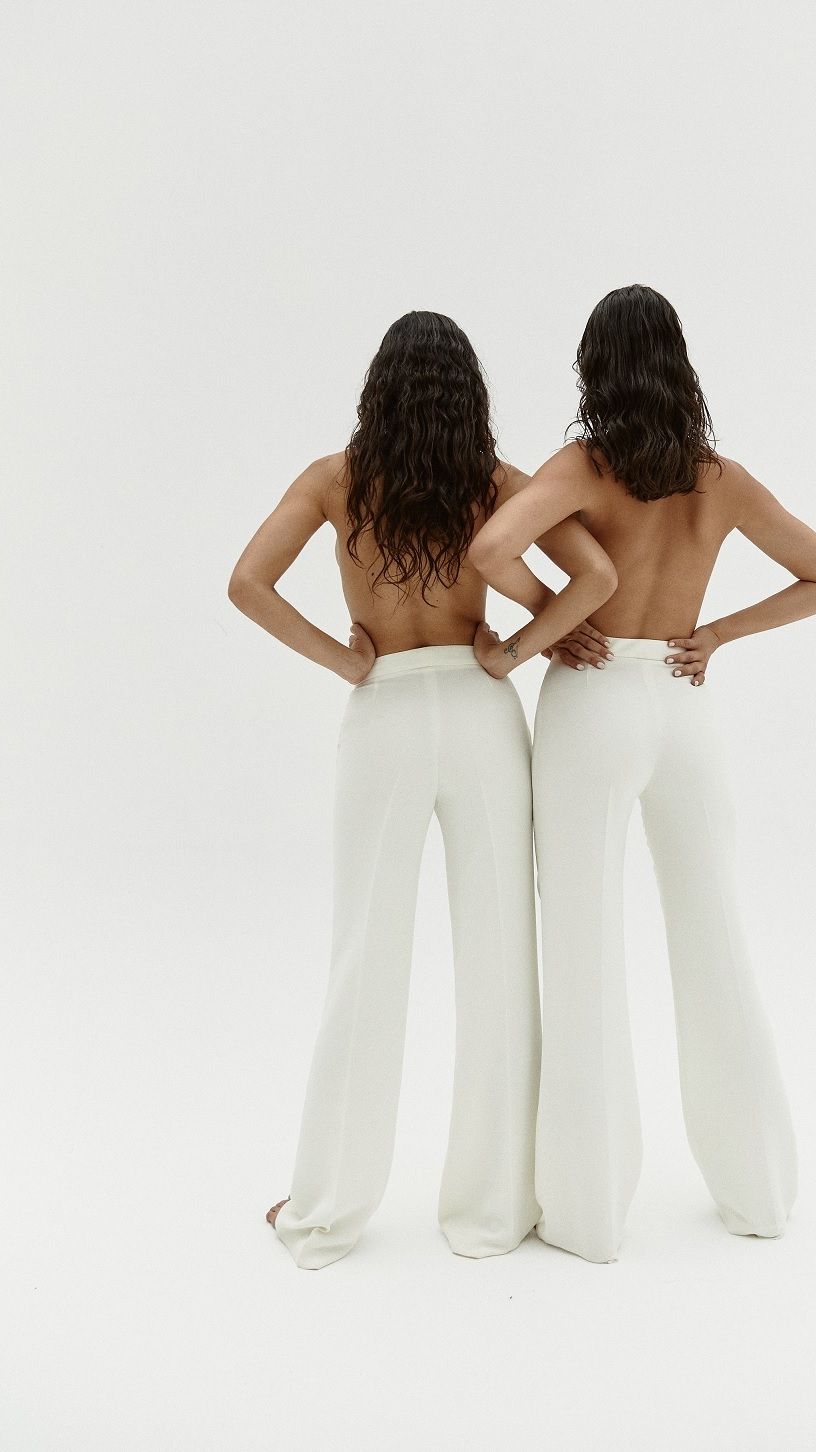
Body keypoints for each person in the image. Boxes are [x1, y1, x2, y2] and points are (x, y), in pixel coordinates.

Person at [469, 283, 816, 1263]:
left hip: (594, 702)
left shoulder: (581, 468)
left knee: (583, 948)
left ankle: (588, 1213)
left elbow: (491, 545)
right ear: (678, 364)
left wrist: (546, 624)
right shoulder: (719, 480)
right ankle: (758, 1192)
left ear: (593, 371)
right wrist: (714, 633)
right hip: (682, 707)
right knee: (713, 937)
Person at [228, 309, 616, 1269]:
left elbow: (247, 583)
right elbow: (596, 576)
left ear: (379, 388)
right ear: (466, 395)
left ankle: (326, 1208)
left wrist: (344, 662)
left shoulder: (335, 479)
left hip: (387, 718)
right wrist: (520, 645)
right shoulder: (493, 482)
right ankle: (493, 1208)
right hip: (481, 714)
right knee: (499, 960)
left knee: (364, 956)